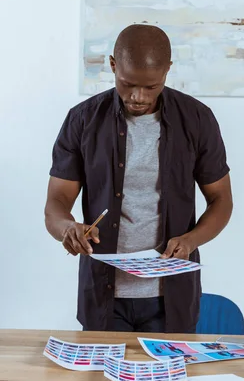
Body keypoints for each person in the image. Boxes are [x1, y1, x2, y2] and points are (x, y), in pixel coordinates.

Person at [44, 24, 232, 333]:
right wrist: (67, 228)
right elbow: (56, 202)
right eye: (127, 83)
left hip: (171, 297)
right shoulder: (82, 120)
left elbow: (221, 200)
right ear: (113, 65)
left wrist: (190, 240)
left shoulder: (197, 119)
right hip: (103, 296)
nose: (138, 97)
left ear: (167, 71)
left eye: (151, 86)